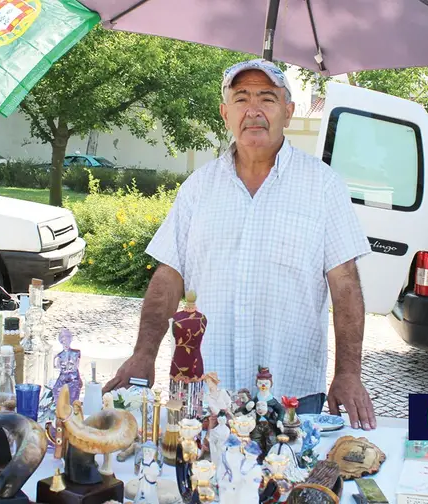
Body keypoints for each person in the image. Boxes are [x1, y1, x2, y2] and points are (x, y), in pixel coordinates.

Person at [104, 58, 376, 430]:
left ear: (289, 112)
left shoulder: (323, 186)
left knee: (290, 481)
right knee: (195, 482)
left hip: (291, 393)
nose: (254, 110)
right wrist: (143, 353)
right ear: (225, 113)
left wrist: (349, 373)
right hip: (204, 390)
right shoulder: (198, 189)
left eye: (267, 98)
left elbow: (345, 285)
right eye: (241, 98)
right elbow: (169, 277)